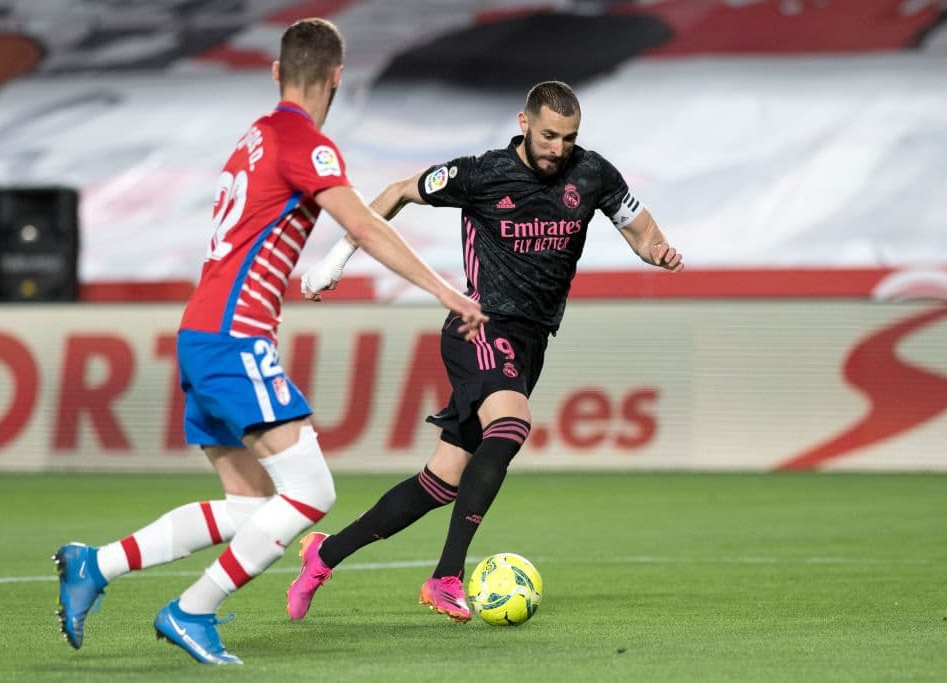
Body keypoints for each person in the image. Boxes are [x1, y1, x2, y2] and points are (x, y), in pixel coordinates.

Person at [53, 18, 486, 665]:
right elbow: (364, 225)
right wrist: (446, 291)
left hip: (202, 331)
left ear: (276, 71)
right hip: (234, 337)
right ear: (337, 77)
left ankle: (98, 563)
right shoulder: (304, 144)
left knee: (251, 504)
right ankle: (192, 609)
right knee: (312, 492)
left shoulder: (253, 138)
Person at [286, 80, 684, 623]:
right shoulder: (479, 174)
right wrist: (335, 262)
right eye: (548, 135)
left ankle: (323, 554)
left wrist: (655, 248)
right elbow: (397, 192)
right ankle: (446, 577)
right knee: (511, 427)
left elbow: (637, 228)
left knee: (441, 481)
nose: (558, 149)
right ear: (523, 123)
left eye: (568, 138)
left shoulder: (592, 174)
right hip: (478, 323)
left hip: (530, 340)